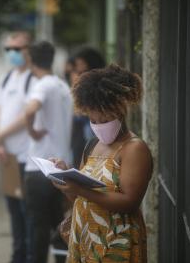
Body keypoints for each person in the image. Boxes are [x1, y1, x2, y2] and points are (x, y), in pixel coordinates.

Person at [52, 64, 152, 262]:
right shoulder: (92, 145)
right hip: (86, 238)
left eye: (104, 119)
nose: (98, 126)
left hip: (115, 243)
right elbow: (80, 198)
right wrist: (64, 180)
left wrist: (80, 190)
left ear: (120, 111)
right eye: (93, 120)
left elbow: (129, 203)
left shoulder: (134, 149)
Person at [24, 41, 73, 263]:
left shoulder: (42, 85)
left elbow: (30, 109)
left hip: (40, 168)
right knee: (60, 226)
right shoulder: (62, 86)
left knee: (38, 229)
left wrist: (32, 132)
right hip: (62, 170)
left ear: (30, 61)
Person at [0, 31, 34, 263]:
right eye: (9, 49)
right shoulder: (7, 78)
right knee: (14, 215)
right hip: (7, 157)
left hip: (26, 157)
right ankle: (17, 257)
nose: (12, 54)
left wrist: (0, 135)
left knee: (28, 215)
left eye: (17, 49)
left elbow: (27, 117)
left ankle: (28, 257)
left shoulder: (34, 79)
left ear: (30, 50)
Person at [70, 47, 106, 168]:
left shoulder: (99, 84)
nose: (79, 69)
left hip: (92, 132)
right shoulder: (81, 80)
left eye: (81, 64)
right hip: (82, 132)